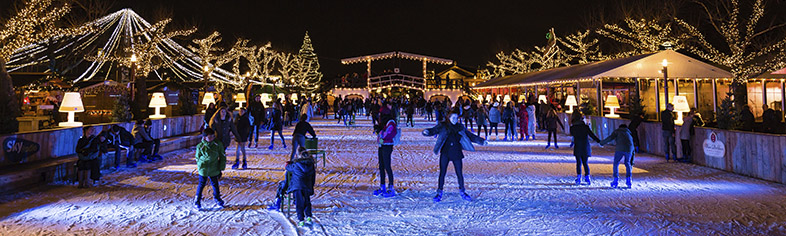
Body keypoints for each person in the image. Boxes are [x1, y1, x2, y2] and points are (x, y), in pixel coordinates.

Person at [422, 112, 487, 202]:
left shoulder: (460, 127)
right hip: (445, 152)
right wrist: (427, 132)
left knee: (459, 173)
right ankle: (439, 192)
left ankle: (462, 191)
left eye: (456, 118)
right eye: (453, 118)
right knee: (442, 173)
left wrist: (481, 141)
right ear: (449, 118)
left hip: (456, 152)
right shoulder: (443, 126)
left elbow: (470, 136)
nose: (455, 120)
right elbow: (434, 130)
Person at [194, 128, 226, 209]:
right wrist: (201, 165)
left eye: (213, 136)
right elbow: (197, 157)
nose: (212, 138)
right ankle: (197, 200)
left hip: (214, 168)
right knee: (201, 184)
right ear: (204, 137)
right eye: (210, 137)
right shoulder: (200, 146)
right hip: (204, 169)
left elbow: (222, 156)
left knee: (215, 184)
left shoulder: (217, 144)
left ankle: (217, 198)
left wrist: (221, 168)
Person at [569, 112, 601, 185]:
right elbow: (592, 135)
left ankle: (579, 177)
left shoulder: (573, 128)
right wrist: (599, 141)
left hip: (578, 146)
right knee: (585, 163)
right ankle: (587, 177)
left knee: (578, 163)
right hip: (585, 146)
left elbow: (572, 134)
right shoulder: (585, 127)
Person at [287, 147, 316, 226]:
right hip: (307, 185)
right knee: (307, 201)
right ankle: (309, 216)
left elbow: (288, 168)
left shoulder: (296, 164)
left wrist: (288, 163)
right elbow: (313, 176)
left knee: (299, 203)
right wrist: (311, 186)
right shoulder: (311, 164)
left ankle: (301, 219)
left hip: (298, 186)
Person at [600, 124, 635, 188]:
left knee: (616, 163)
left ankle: (615, 180)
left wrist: (602, 142)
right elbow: (632, 145)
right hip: (629, 149)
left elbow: (610, 138)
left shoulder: (617, 131)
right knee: (627, 163)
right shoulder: (629, 133)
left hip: (620, 148)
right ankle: (629, 180)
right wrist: (632, 161)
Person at [374, 113, 398, 197]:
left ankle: (391, 188)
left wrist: (380, 131)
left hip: (387, 146)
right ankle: (382, 186)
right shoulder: (384, 124)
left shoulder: (391, 123)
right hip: (381, 145)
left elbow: (387, 134)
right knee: (381, 166)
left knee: (387, 166)